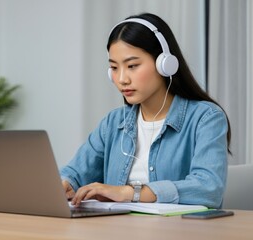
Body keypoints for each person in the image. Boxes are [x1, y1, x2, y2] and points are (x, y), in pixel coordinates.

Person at [60, 13, 231, 209]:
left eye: (132, 66)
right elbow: (74, 172)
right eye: (114, 68)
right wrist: (64, 184)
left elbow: (208, 189)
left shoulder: (206, 118)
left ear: (164, 64)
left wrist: (129, 193)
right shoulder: (113, 123)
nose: (122, 79)